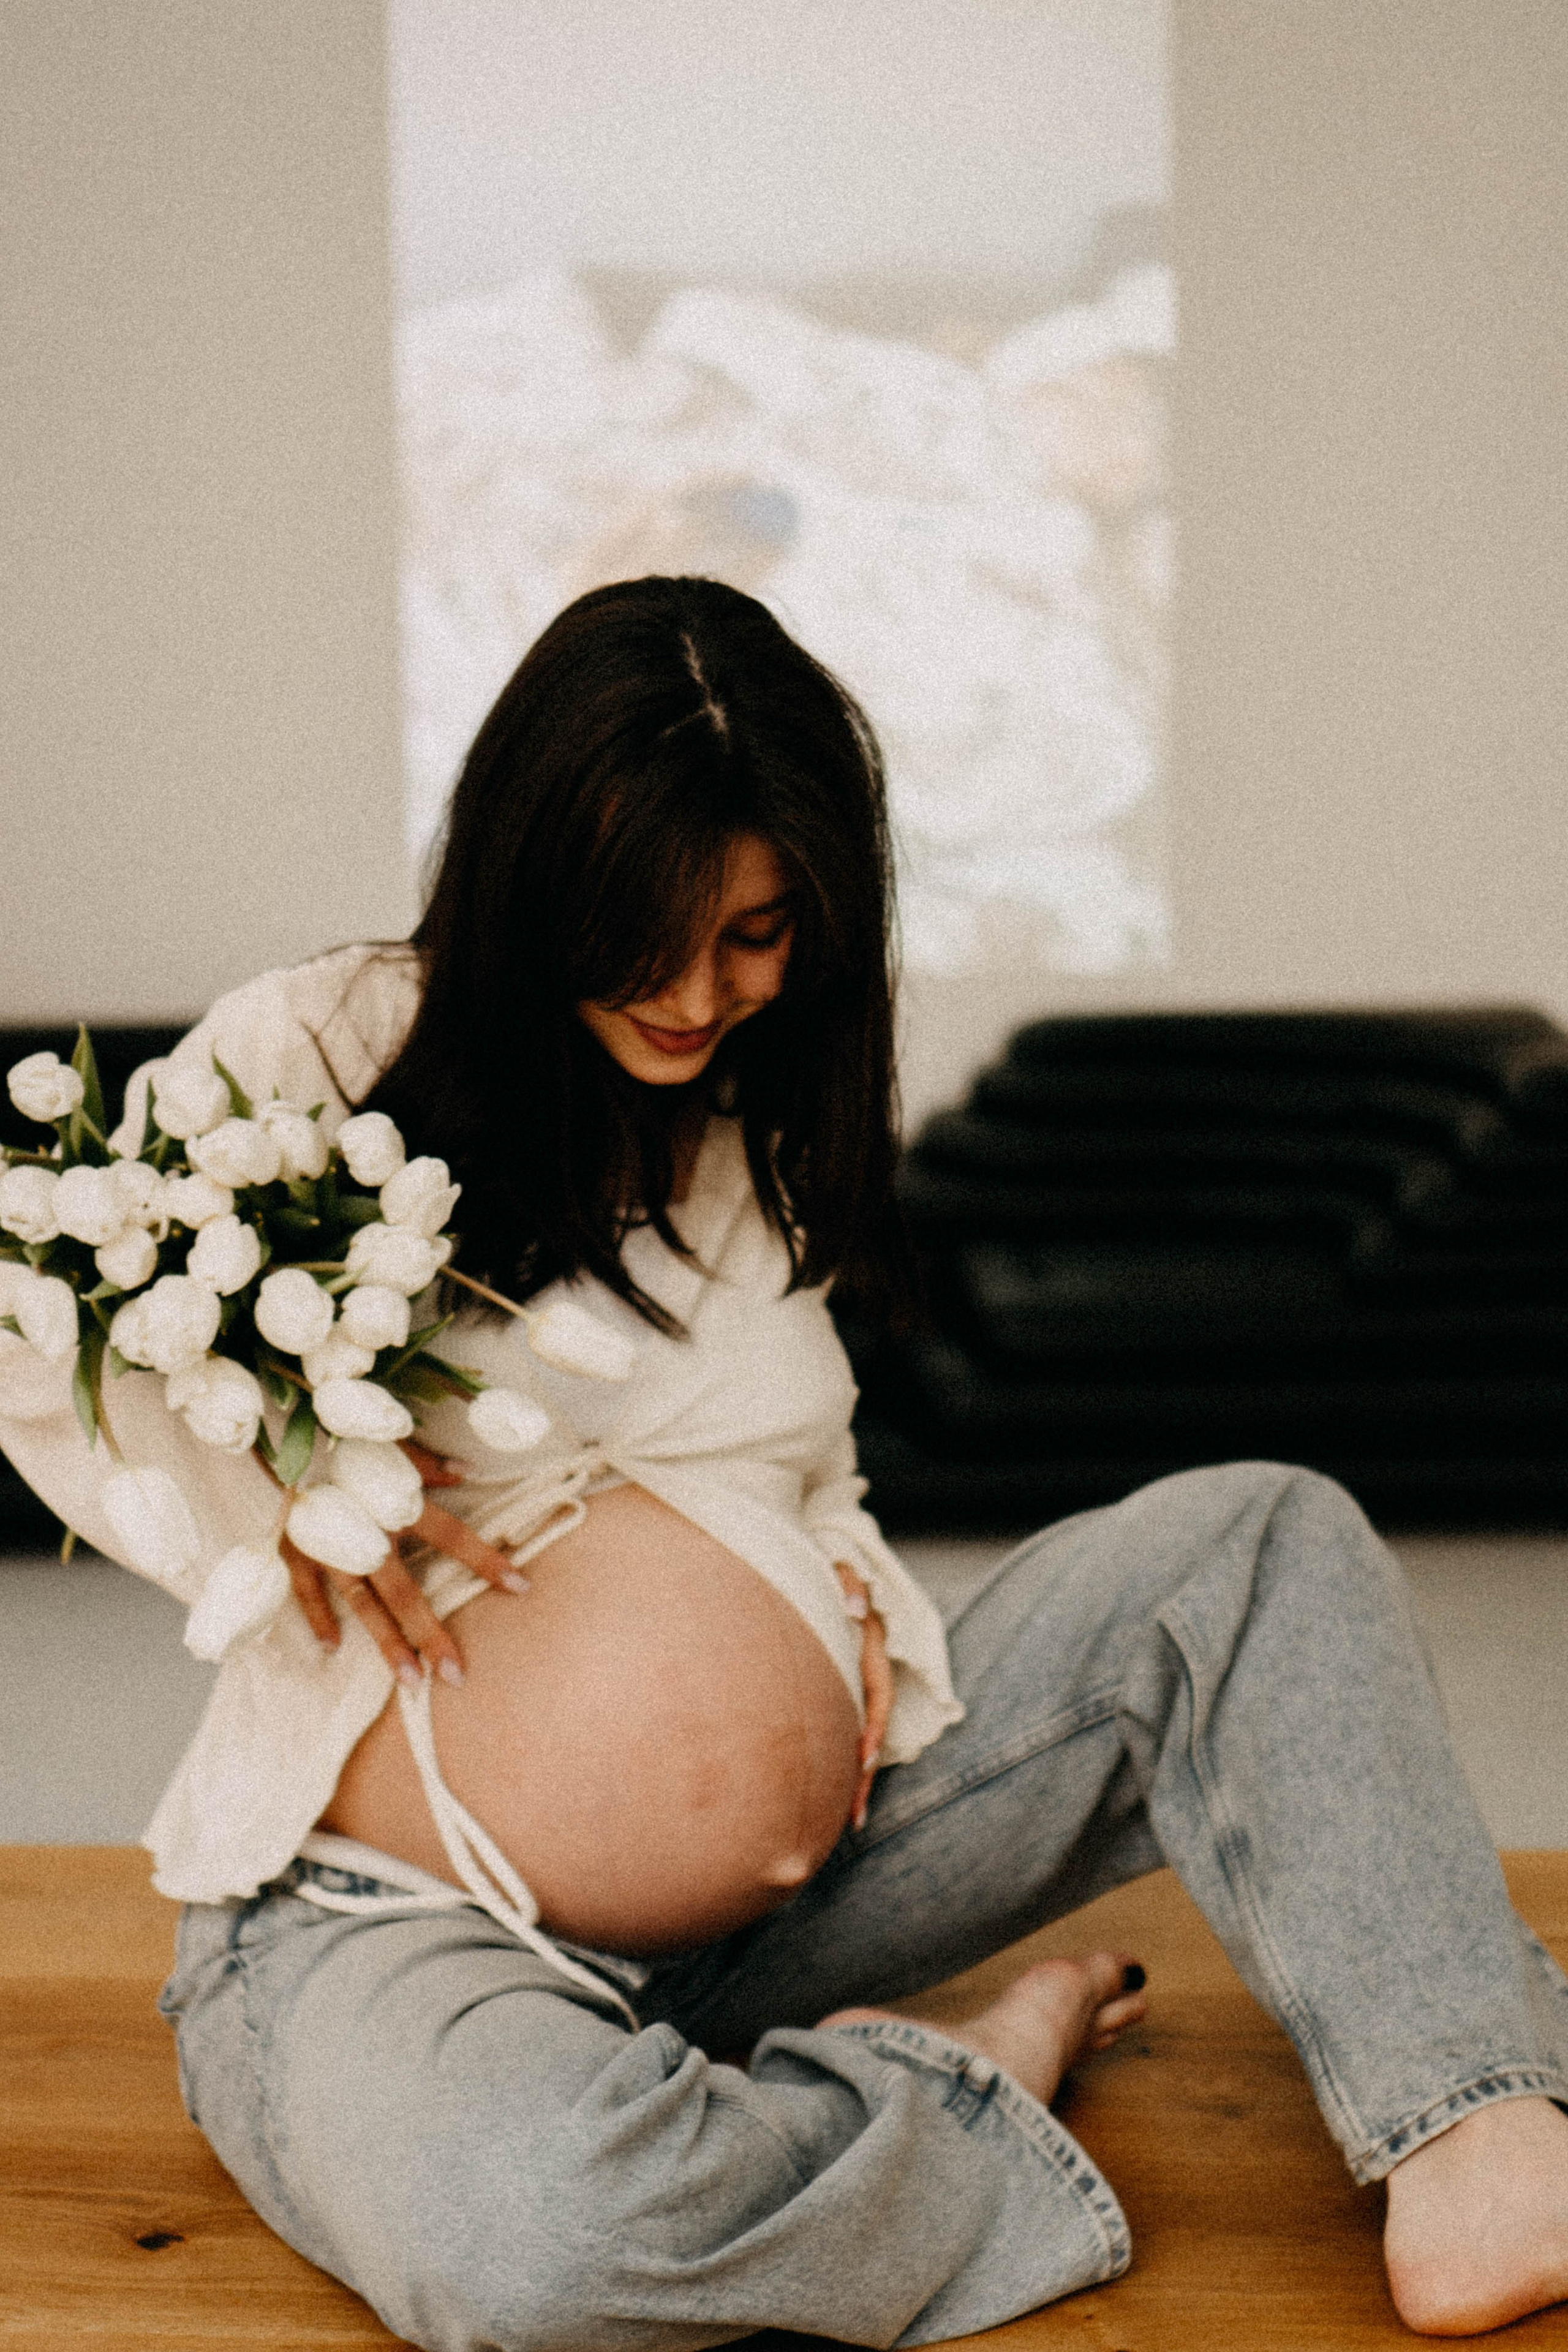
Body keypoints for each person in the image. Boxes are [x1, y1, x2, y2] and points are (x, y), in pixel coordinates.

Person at [3, 576, 1567, 2346]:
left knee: (1262, 1543)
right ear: (537, 883)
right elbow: (46, 1342)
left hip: (797, 1895)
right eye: (645, 932)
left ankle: (1482, 2120)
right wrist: (269, 1504)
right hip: (398, 1922)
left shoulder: (750, 1131)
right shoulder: (323, 1053)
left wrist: (845, 1634)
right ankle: (945, 2089)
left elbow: (793, 1485)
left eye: (758, 933)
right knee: (541, 2235)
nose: (696, 993)